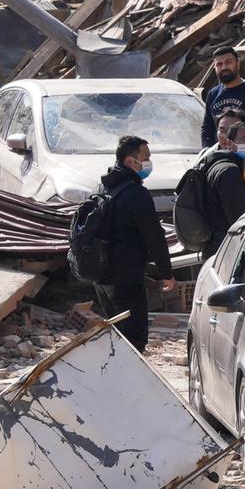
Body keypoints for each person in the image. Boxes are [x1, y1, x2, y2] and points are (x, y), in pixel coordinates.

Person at [67, 136, 172, 347]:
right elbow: (154, 236)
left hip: (103, 278)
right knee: (134, 340)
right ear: (130, 162)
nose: (149, 162)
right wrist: (166, 273)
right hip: (126, 280)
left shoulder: (105, 187)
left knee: (118, 336)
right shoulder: (136, 194)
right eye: (146, 157)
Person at [170, 114, 245, 258]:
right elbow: (240, 219)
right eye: (244, 140)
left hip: (213, 244)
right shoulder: (230, 172)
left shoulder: (214, 163)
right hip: (226, 249)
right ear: (229, 143)